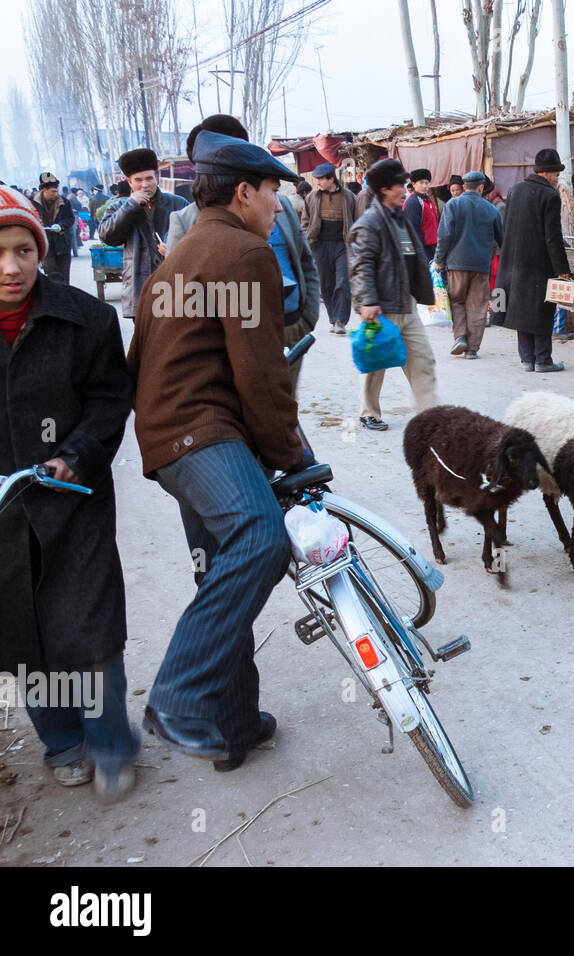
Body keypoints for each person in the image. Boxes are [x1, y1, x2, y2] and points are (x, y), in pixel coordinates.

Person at [128, 131, 308, 773]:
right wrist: (290, 452)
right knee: (262, 541)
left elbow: (141, 355)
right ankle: (179, 694)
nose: (277, 206)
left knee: (221, 571)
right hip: (203, 435)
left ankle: (233, 727)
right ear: (242, 192)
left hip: (169, 442)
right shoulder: (244, 251)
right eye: (272, 193)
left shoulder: (177, 257)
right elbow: (262, 376)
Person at [0, 185, 138, 800]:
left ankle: (110, 743)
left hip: (72, 500)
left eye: (23, 249)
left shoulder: (87, 319)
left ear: (40, 248)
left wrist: (74, 454)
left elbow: (111, 399)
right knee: (21, 628)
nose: (11, 266)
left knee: (88, 626)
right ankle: (61, 741)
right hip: (5, 515)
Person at [168, 115, 321, 395]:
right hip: (236, 342)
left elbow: (306, 262)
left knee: (285, 406)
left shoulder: (280, 204)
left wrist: (307, 318)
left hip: (290, 326)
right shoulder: (185, 221)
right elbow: (180, 298)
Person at [349, 158, 439, 431]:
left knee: (422, 360)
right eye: (401, 184)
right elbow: (360, 263)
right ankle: (369, 412)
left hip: (405, 303)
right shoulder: (370, 223)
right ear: (385, 189)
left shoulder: (401, 218)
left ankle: (430, 415)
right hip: (381, 306)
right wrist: (368, 301)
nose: (405, 188)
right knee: (376, 362)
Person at [493, 149, 572, 373]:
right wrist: (562, 269)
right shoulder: (549, 196)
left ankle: (527, 359)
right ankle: (544, 360)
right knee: (541, 310)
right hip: (539, 263)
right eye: (556, 173)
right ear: (547, 173)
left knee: (521, 309)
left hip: (514, 261)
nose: (557, 178)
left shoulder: (515, 190)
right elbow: (552, 237)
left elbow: (506, 226)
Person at [98, 148, 189, 321]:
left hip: (174, 284)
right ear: (129, 182)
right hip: (139, 286)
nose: (145, 184)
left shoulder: (178, 203)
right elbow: (108, 236)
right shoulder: (119, 207)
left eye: (149, 178)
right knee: (145, 343)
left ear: (157, 177)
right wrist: (131, 205)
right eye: (138, 180)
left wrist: (174, 247)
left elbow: (195, 239)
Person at [434, 170, 503, 360]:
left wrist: (439, 260)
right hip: (481, 265)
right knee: (477, 305)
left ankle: (460, 337)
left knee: (457, 300)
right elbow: (501, 239)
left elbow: (444, 236)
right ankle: (472, 349)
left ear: (464, 187)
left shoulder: (452, 205)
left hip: (456, 263)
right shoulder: (491, 209)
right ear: (481, 187)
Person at [303, 162, 362, 334]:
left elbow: (358, 221)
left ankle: (340, 321)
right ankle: (332, 316)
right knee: (326, 283)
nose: (318, 182)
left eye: (321, 179)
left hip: (343, 245)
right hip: (320, 245)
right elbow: (305, 222)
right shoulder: (312, 197)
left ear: (331, 179)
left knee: (343, 281)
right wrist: (307, 237)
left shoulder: (349, 196)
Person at [32, 172, 75, 283]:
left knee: (64, 275)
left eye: (56, 191)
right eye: (53, 191)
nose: (56, 194)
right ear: (44, 190)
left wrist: (61, 225)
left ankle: (65, 298)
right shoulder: (32, 203)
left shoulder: (64, 202)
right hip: (45, 245)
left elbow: (70, 218)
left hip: (62, 243)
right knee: (51, 274)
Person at [403, 167, 440, 264]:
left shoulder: (429, 201)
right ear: (414, 184)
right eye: (421, 183)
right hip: (422, 250)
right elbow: (412, 230)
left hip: (432, 248)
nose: (424, 186)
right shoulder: (413, 202)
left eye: (426, 183)